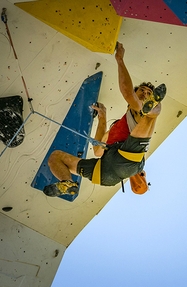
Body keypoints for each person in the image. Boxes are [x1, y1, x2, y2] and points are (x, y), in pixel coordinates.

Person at [43, 42, 166, 197]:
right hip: (107, 171)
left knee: (150, 115)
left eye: (149, 92)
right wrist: (103, 116)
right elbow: (97, 149)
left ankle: (154, 107)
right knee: (55, 158)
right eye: (143, 90)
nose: (145, 93)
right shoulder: (118, 127)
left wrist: (119, 59)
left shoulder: (137, 110)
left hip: (128, 160)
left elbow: (128, 93)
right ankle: (68, 183)